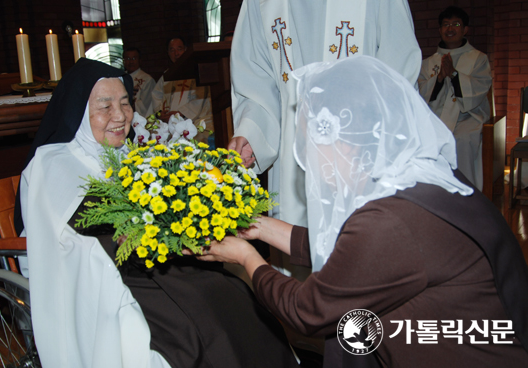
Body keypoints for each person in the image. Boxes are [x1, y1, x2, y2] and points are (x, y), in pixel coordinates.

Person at [195, 56, 528, 367]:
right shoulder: (416, 176)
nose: (308, 162)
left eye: (308, 143)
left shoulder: (391, 221)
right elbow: (357, 256)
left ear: (346, 141)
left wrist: (246, 256)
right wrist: (260, 227)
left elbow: (309, 310)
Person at [14, 58, 299, 367]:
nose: (120, 116)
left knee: (232, 295)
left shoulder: (127, 154)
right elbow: (65, 234)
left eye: (125, 103)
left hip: (151, 261)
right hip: (102, 272)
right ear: (79, 113)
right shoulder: (52, 161)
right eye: (105, 107)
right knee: (197, 325)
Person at [228, 0, 422, 276]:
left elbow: (399, 71)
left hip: (360, 149)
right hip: (292, 155)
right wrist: (252, 133)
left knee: (368, 261)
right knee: (300, 285)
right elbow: (257, 86)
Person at [418, 6, 492, 190]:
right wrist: (440, 78)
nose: (450, 29)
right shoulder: (428, 63)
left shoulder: (478, 59)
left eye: (456, 24)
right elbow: (420, 93)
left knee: (463, 140)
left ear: (465, 29)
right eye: (445, 25)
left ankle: (466, 194)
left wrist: (455, 76)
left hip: (467, 118)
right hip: (436, 119)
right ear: (440, 30)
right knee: (425, 139)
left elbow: (480, 87)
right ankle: (435, 195)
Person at [149, 37, 213, 134]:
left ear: (186, 50)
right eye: (172, 50)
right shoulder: (167, 75)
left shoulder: (195, 73)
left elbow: (200, 98)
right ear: (168, 53)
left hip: (190, 121)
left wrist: (182, 113)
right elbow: (156, 95)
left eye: (179, 49)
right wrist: (160, 113)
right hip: (169, 122)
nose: (176, 53)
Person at [123, 47, 156, 118]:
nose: (131, 62)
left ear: (140, 60)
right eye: (128, 59)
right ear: (124, 61)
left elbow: (148, 105)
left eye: (134, 58)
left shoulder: (147, 79)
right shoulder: (120, 78)